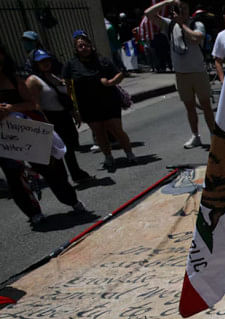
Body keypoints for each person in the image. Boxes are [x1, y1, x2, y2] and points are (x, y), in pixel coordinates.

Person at [1, 43, 87, 226]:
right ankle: (33, 212)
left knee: (51, 168)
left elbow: (32, 104)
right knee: (14, 175)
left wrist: (12, 108)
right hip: (5, 140)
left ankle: (71, 200)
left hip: (26, 131)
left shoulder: (15, 79)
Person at [145, 0, 216, 150]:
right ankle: (195, 136)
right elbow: (148, 14)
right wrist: (167, 2)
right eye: (179, 8)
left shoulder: (196, 24)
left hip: (198, 72)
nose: (182, 11)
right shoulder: (169, 25)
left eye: (184, 8)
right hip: (181, 74)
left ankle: (214, 135)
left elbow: (196, 38)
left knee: (206, 106)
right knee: (189, 107)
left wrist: (182, 24)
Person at [63, 31, 136, 170]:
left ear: (91, 46)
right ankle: (108, 157)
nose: (84, 48)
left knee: (116, 130)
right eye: (80, 46)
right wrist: (73, 108)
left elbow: (120, 75)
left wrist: (110, 82)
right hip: (88, 106)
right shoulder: (70, 65)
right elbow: (68, 86)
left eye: (85, 45)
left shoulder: (103, 61)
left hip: (109, 102)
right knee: (99, 133)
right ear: (76, 49)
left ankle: (129, 154)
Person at [26, 49, 92, 183]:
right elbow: (36, 105)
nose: (45, 63)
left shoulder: (54, 76)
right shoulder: (33, 80)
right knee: (57, 151)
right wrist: (44, 123)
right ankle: (62, 179)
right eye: (41, 61)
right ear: (35, 64)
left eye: (47, 60)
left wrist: (74, 113)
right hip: (50, 118)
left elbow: (66, 96)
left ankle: (76, 174)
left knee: (69, 147)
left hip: (64, 116)